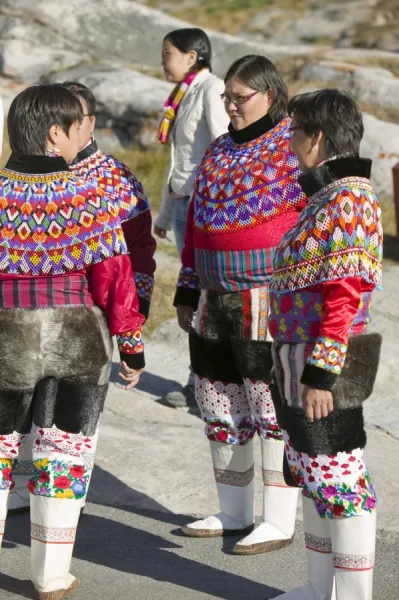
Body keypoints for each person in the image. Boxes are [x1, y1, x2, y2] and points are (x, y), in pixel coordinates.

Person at [0, 84, 144, 599]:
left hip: (6, 334)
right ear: (54, 134)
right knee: (62, 451)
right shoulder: (88, 194)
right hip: (75, 333)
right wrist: (131, 345)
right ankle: (49, 576)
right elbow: (114, 276)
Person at [174, 55, 307, 554]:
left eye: (238, 97)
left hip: (265, 298)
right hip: (212, 296)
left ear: (269, 96)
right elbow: (197, 226)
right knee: (219, 403)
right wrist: (187, 288)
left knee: (267, 405)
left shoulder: (291, 149)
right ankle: (232, 512)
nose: (229, 105)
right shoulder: (217, 152)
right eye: (226, 97)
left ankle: (277, 519)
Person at [268, 89, 383, 599]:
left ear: (316, 137)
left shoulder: (348, 197)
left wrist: (321, 375)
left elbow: (344, 295)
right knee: (314, 475)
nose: (290, 143)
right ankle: (319, 591)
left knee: (339, 479)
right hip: (299, 355)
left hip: (321, 362)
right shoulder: (328, 195)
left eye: (294, 133)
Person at [154, 27, 229, 408]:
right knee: (195, 295)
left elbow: (222, 146)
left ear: (192, 55)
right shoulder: (182, 94)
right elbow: (178, 160)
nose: (163, 60)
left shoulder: (212, 89)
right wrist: (166, 212)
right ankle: (200, 382)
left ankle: (203, 385)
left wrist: (220, 203)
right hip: (185, 205)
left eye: (168, 52)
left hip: (206, 206)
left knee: (205, 296)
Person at [64, 81, 156, 321]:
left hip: (93, 311)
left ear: (92, 123)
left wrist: (136, 308)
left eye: (76, 117)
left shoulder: (115, 177)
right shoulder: (35, 172)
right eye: (58, 115)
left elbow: (139, 245)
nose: (66, 125)